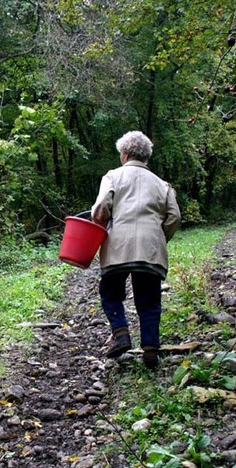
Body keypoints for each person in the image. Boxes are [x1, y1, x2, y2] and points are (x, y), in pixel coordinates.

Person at [91, 131, 181, 369]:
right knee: (149, 299)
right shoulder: (162, 185)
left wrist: (99, 223)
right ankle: (151, 349)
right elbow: (174, 217)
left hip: (117, 247)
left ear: (125, 154)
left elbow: (101, 208)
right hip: (150, 250)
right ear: (146, 156)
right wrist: (160, 238)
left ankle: (121, 333)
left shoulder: (112, 176)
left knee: (110, 292)